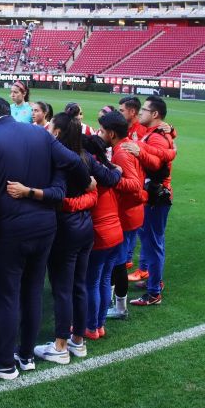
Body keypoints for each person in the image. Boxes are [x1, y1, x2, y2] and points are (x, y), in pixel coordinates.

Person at [0, 96, 90, 380]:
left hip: (9, 228)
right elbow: (74, 161)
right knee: (33, 290)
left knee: (6, 295)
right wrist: (84, 183)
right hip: (45, 226)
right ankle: (24, 355)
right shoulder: (39, 133)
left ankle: (3, 362)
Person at [19, 112, 120, 365]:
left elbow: (55, 194)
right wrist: (114, 170)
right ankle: (78, 341)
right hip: (86, 227)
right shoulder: (85, 156)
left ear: (57, 132)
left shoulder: (59, 159)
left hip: (66, 229)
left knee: (63, 288)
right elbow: (107, 179)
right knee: (79, 286)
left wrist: (28, 192)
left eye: (50, 125)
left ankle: (61, 346)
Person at [96, 112, 146, 322]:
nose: (99, 133)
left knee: (117, 264)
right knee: (116, 263)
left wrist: (111, 177)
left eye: (102, 130)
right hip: (129, 213)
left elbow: (134, 185)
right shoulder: (124, 146)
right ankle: (115, 304)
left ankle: (120, 307)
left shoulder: (122, 153)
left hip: (125, 215)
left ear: (112, 133)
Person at [127, 96, 176, 307]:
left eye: (144, 110)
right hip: (156, 195)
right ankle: (155, 282)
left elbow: (157, 164)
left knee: (153, 243)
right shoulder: (156, 133)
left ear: (154, 114)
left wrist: (139, 150)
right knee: (153, 241)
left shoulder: (156, 137)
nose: (141, 114)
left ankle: (154, 291)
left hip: (156, 197)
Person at [80, 120, 124, 340]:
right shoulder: (109, 172)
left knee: (92, 282)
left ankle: (90, 326)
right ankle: (99, 325)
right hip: (116, 232)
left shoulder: (93, 178)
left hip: (101, 235)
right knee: (105, 279)